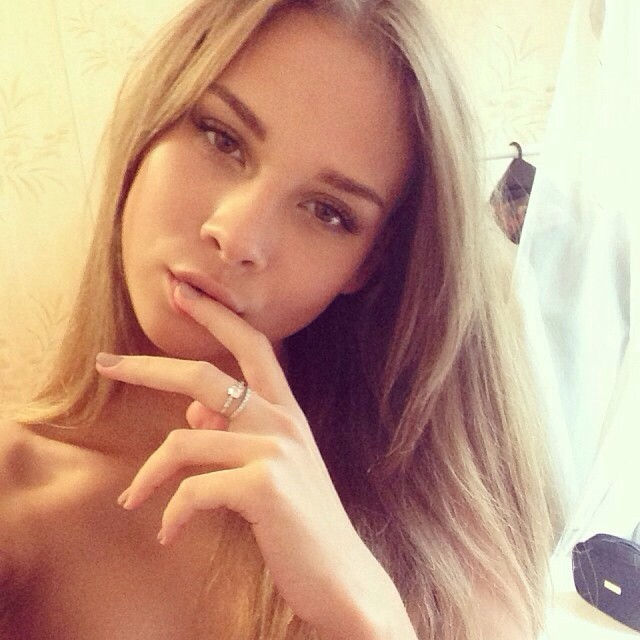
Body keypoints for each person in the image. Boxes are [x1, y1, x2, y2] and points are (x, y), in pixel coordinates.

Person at [0, 1, 563, 638]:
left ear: (368, 264)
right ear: (152, 125)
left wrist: (364, 608)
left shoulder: (444, 537)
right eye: (222, 138)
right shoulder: (17, 498)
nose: (238, 235)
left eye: (327, 211)